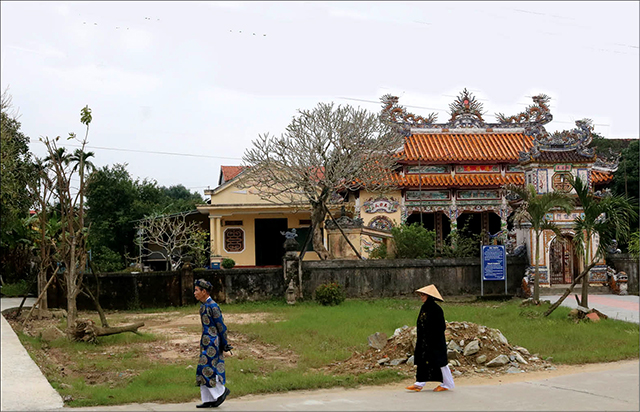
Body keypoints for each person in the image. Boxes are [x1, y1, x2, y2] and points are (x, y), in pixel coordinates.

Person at [406, 284, 455, 392]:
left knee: (441, 362)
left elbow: (441, 326)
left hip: (436, 341)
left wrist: (432, 337)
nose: (421, 297)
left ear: (429, 296)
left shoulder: (437, 309)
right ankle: (419, 383)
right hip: (424, 341)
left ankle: (447, 384)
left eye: (423, 295)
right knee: (423, 361)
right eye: (421, 295)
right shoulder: (424, 308)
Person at [194, 279, 232, 408]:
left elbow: (221, 326)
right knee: (203, 369)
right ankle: (208, 399)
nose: (194, 293)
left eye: (196, 290)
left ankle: (221, 392)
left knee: (207, 369)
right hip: (205, 342)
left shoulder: (213, 306)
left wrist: (224, 343)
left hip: (212, 343)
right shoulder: (203, 306)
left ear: (204, 292)